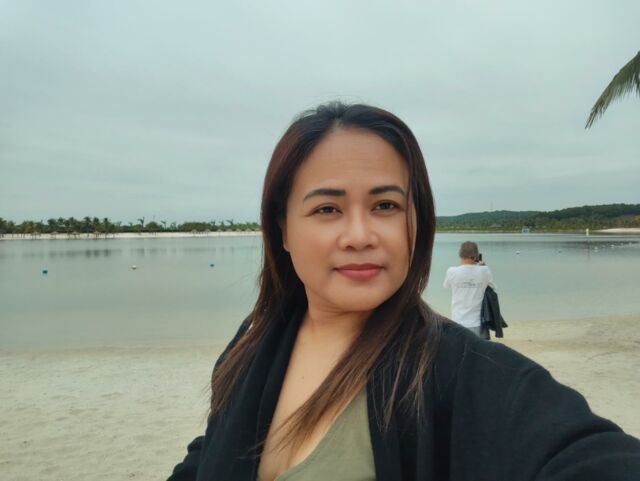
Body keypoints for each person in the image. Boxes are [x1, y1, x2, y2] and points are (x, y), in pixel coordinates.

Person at [168, 102, 640, 481]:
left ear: (418, 219)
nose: (360, 235)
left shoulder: (456, 372)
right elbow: (211, 448)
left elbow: (584, 455)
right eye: (328, 209)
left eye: (386, 205)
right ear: (283, 230)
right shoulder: (254, 342)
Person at [443, 241, 495, 338]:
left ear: (460, 255)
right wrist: (482, 266)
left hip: (457, 322)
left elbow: (446, 285)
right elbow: (492, 287)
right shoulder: (485, 271)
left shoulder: (452, 271)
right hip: (477, 323)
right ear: (476, 255)